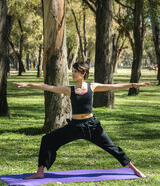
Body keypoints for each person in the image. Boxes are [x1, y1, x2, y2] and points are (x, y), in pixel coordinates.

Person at [12, 61, 150, 179]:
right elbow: (49, 87)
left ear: (83, 73)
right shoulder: (69, 89)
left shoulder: (92, 86)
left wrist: (134, 84)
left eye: (75, 71)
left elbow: (114, 86)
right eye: (72, 71)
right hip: (75, 127)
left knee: (112, 148)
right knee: (47, 139)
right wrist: (29, 83)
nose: (72, 74)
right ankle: (40, 172)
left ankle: (135, 170)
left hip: (92, 126)